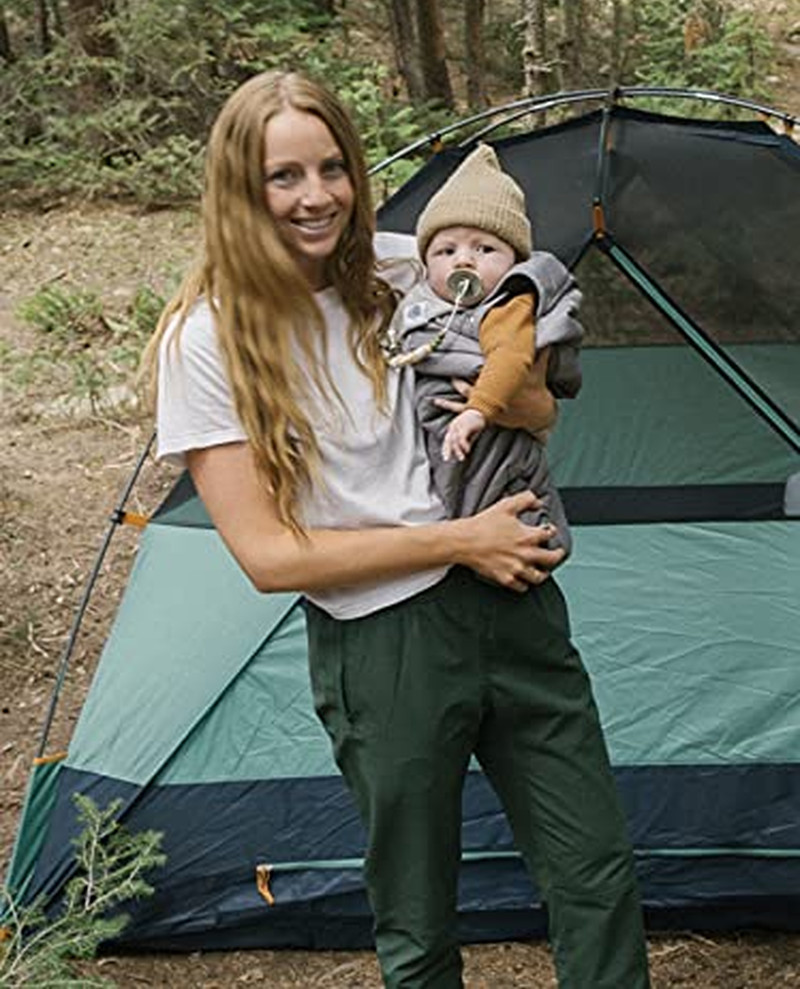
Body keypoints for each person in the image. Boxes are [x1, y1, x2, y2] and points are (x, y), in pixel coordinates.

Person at [145, 69, 650, 989]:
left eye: (332, 167)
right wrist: (460, 541)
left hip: (514, 598)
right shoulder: (208, 341)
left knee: (595, 871)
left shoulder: (407, 268)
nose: (317, 196)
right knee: (417, 916)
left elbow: (535, 400)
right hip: (384, 640)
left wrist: (524, 408)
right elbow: (267, 556)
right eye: (284, 176)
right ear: (238, 189)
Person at [383, 143, 581, 555]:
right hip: (433, 449)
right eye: (446, 250)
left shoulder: (507, 304)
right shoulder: (418, 304)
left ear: (514, 261)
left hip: (487, 436)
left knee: (508, 499)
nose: (464, 261)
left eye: (484, 249)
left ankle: (530, 544)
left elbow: (511, 357)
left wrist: (479, 410)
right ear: (425, 263)